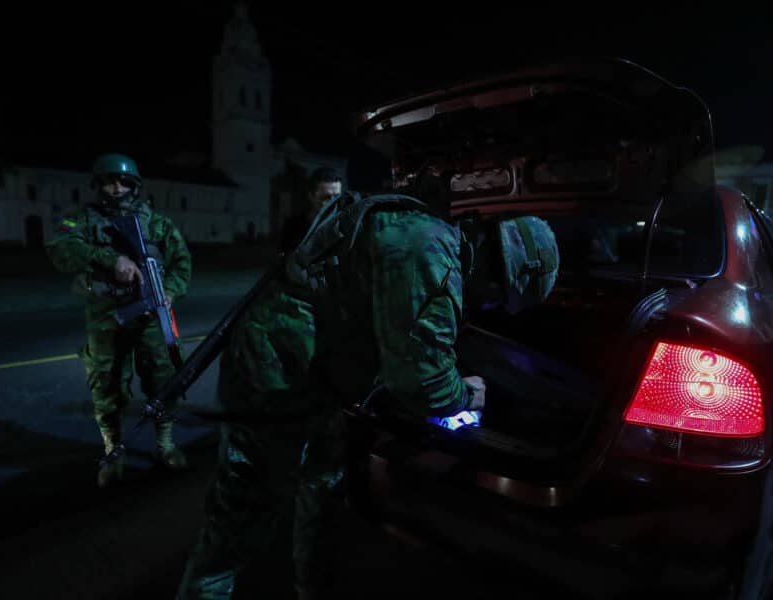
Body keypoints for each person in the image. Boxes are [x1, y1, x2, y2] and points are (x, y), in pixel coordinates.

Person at [176, 186, 559, 599]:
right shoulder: (428, 252)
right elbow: (420, 382)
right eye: (500, 297)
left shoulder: (434, 242)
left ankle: (313, 589)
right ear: (502, 271)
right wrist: (466, 396)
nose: (491, 305)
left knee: (322, 489)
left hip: (317, 374)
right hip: (275, 376)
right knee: (242, 519)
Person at [45, 153, 193, 487]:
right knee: (107, 383)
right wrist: (110, 260)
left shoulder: (157, 224)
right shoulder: (82, 220)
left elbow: (183, 262)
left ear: (135, 185)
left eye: (124, 182)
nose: (117, 187)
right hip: (106, 315)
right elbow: (59, 248)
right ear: (98, 185)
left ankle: (165, 444)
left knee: (162, 378)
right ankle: (113, 451)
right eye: (110, 181)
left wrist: (170, 290)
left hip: (152, 315)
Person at [278, 167, 343, 253]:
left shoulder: (344, 226)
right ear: (312, 196)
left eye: (337, 197)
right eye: (326, 198)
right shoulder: (293, 227)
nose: (334, 203)